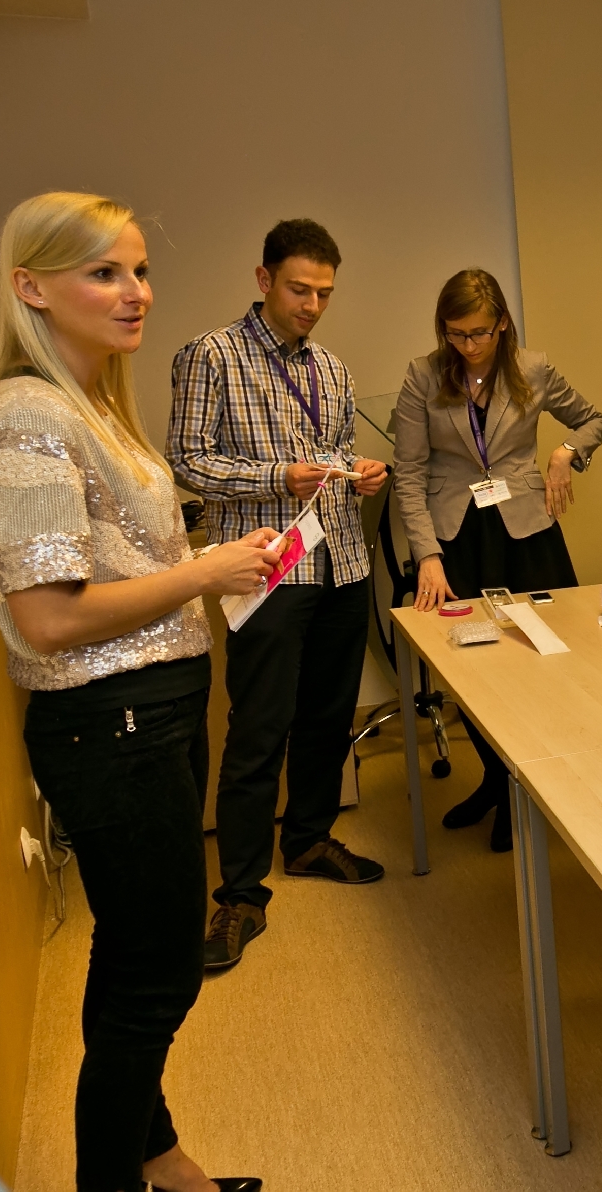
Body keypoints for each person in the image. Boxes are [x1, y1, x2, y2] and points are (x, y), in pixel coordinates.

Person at [0, 192, 275, 1192]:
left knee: (131, 958)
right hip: (115, 726)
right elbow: (49, 617)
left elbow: (112, 555)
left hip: (154, 714)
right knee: (158, 976)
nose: (135, 291)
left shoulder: (91, 401)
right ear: (31, 287)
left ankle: (159, 1158)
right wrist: (203, 573)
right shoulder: (27, 414)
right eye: (104, 272)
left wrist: (206, 556)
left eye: (139, 270)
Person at [168, 218, 389, 972]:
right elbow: (188, 460)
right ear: (264, 280)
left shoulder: (331, 367)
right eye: (299, 289)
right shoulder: (210, 356)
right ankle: (238, 894)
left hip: (341, 565)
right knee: (259, 729)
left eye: (324, 292)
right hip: (266, 571)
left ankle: (309, 840)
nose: (312, 305)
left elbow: (331, 456)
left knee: (327, 719)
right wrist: (276, 477)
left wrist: (360, 472)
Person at [392, 267, 602, 851]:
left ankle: (529, 782)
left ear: (503, 323)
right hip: (456, 536)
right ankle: (496, 778)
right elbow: (409, 473)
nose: (468, 345)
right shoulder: (423, 376)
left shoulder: (533, 369)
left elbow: (594, 420)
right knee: (473, 667)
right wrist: (427, 555)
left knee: (546, 659)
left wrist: (564, 453)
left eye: (480, 333)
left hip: (526, 529)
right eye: (456, 333)